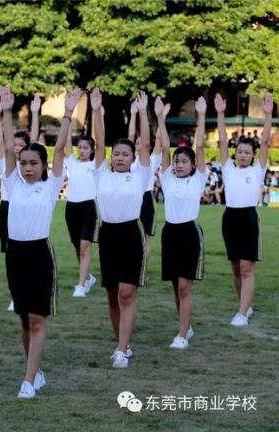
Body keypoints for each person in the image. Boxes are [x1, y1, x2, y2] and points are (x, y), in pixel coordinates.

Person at [1, 86, 76, 399]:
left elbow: (59, 150)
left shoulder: (50, 186)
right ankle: (36, 372)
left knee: (36, 317)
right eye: (24, 162)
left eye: (34, 163)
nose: (28, 167)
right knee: (23, 317)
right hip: (15, 254)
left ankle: (28, 380)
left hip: (39, 254)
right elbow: (7, 149)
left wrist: (69, 113)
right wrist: (4, 110)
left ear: (43, 166)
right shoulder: (11, 183)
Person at [93, 89, 151, 369]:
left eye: (125, 154)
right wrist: (95, 111)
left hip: (131, 235)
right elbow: (99, 139)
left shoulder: (140, 174)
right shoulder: (101, 172)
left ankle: (121, 348)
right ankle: (123, 343)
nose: (119, 158)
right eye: (116, 154)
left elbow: (145, 146)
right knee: (112, 295)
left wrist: (141, 113)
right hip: (107, 235)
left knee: (127, 293)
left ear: (131, 158)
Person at [216, 93, 273, 327]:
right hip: (230, 217)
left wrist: (268, 115)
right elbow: (220, 141)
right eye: (240, 151)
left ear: (252, 155)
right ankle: (244, 305)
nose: (243, 155)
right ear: (235, 152)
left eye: (247, 152)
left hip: (248, 217)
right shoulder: (228, 168)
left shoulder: (258, 169)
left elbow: (266, 142)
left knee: (247, 267)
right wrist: (220, 113)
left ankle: (241, 313)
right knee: (236, 268)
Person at [159, 96, 207, 349]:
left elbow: (199, 149)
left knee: (185, 285)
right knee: (176, 285)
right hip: (170, 232)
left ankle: (181, 334)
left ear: (192, 165)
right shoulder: (167, 178)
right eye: (177, 161)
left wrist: (201, 115)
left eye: (184, 161)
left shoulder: (198, 179)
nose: (178, 164)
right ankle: (185, 325)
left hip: (189, 232)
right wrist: (160, 119)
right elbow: (164, 148)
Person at [0, 95, 39, 311]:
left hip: (26, 210)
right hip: (7, 208)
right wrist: (0, 113)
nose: (17, 148)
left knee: (29, 254)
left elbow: (35, 141)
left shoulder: (29, 166)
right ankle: (16, 294)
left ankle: (29, 291)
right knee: (11, 255)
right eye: (16, 145)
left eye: (22, 145)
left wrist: (36, 113)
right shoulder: (6, 160)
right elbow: (3, 141)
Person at [62, 98, 99, 298]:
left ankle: (81, 285)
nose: (82, 150)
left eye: (86, 147)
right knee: (78, 247)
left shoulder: (95, 166)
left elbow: (101, 142)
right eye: (80, 147)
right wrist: (68, 112)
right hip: (71, 208)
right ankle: (89, 277)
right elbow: (65, 143)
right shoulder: (72, 163)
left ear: (92, 149)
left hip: (88, 209)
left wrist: (96, 109)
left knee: (85, 247)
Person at [130, 101, 165, 267]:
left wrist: (161, 118)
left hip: (146, 198)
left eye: (141, 142)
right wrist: (133, 115)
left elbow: (159, 140)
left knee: (146, 235)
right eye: (137, 143)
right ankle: (132, 263)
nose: (139, 144)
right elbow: (129, 137)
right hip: (131, 198)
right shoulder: (129, 161)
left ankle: (142, 266)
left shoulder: (152, 160)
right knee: (131, 233)